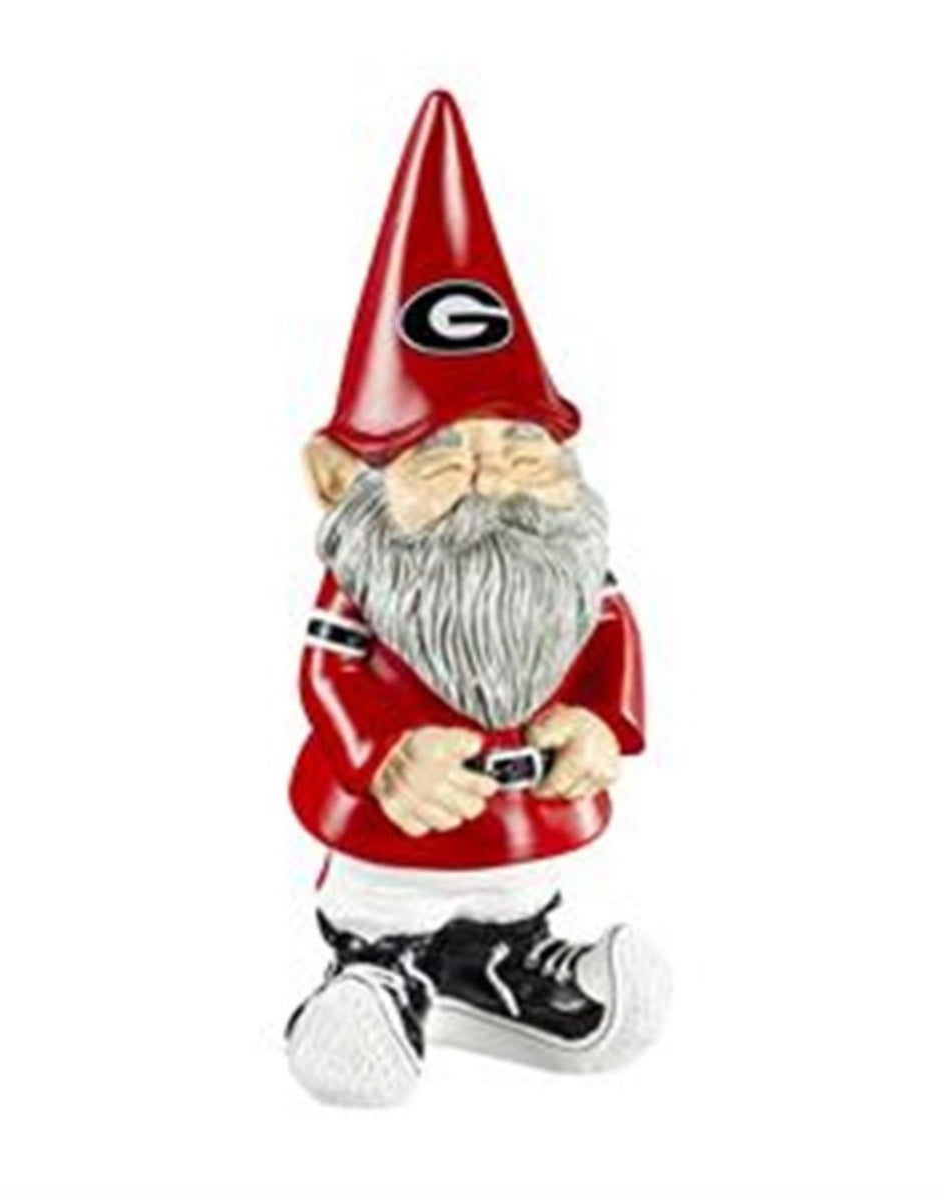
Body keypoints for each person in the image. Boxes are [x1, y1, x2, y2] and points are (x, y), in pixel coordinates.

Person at [286, 90, 670, 1106]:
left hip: (521, 817)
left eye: (519, 447)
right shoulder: (371, 577)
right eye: (444, 454)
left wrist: (604, 723)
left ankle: (509, 967)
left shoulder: (564, 563)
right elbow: (328, 676)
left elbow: (610, 638)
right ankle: (376, 974)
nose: (492, 478)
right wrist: (384, 753)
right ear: (341, 480)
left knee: (518, 894)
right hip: (395, 823)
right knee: (389, 897)